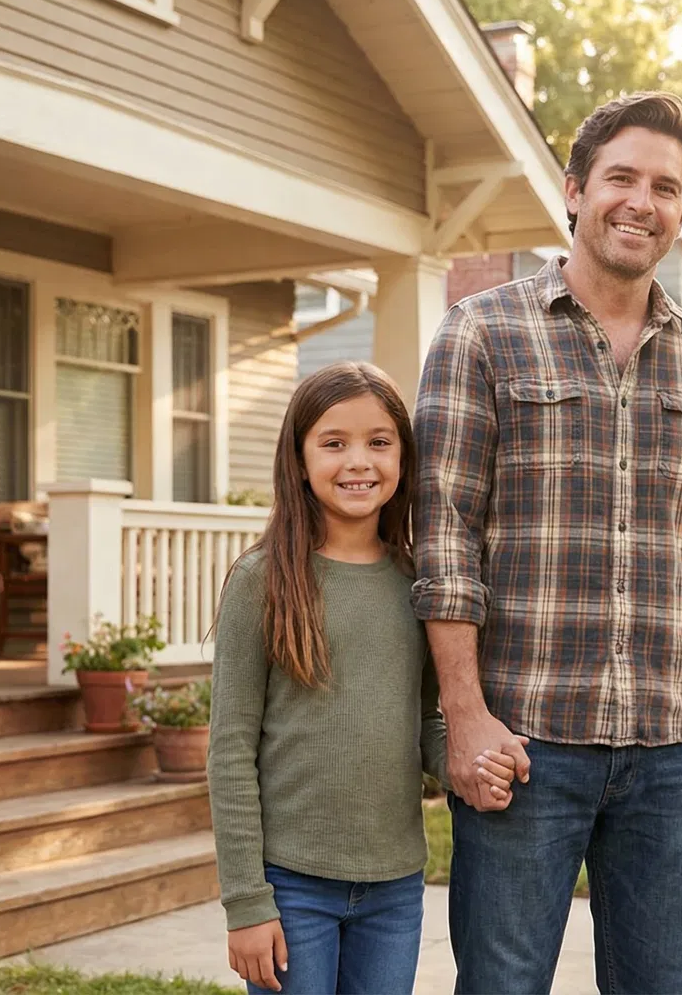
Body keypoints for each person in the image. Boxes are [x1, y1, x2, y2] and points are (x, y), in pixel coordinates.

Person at [412, 91, 682, 994]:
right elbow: (443, 539)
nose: (640, 202)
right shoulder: (481, 332)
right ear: (573, 191)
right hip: (524, 741)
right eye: (621, 178)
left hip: (673, 752)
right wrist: (464, 716)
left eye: (666, 187)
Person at [207, 362, 459, 995]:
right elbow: (231, 750)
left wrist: (464, 765)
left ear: (404, 457)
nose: (359, 461)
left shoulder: (416, 582)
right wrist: (246, 902)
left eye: (379, 442)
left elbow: (424, 720)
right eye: (333, 442)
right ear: (298, 458)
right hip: (291, 887)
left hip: (395, 886)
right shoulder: (262, 581)